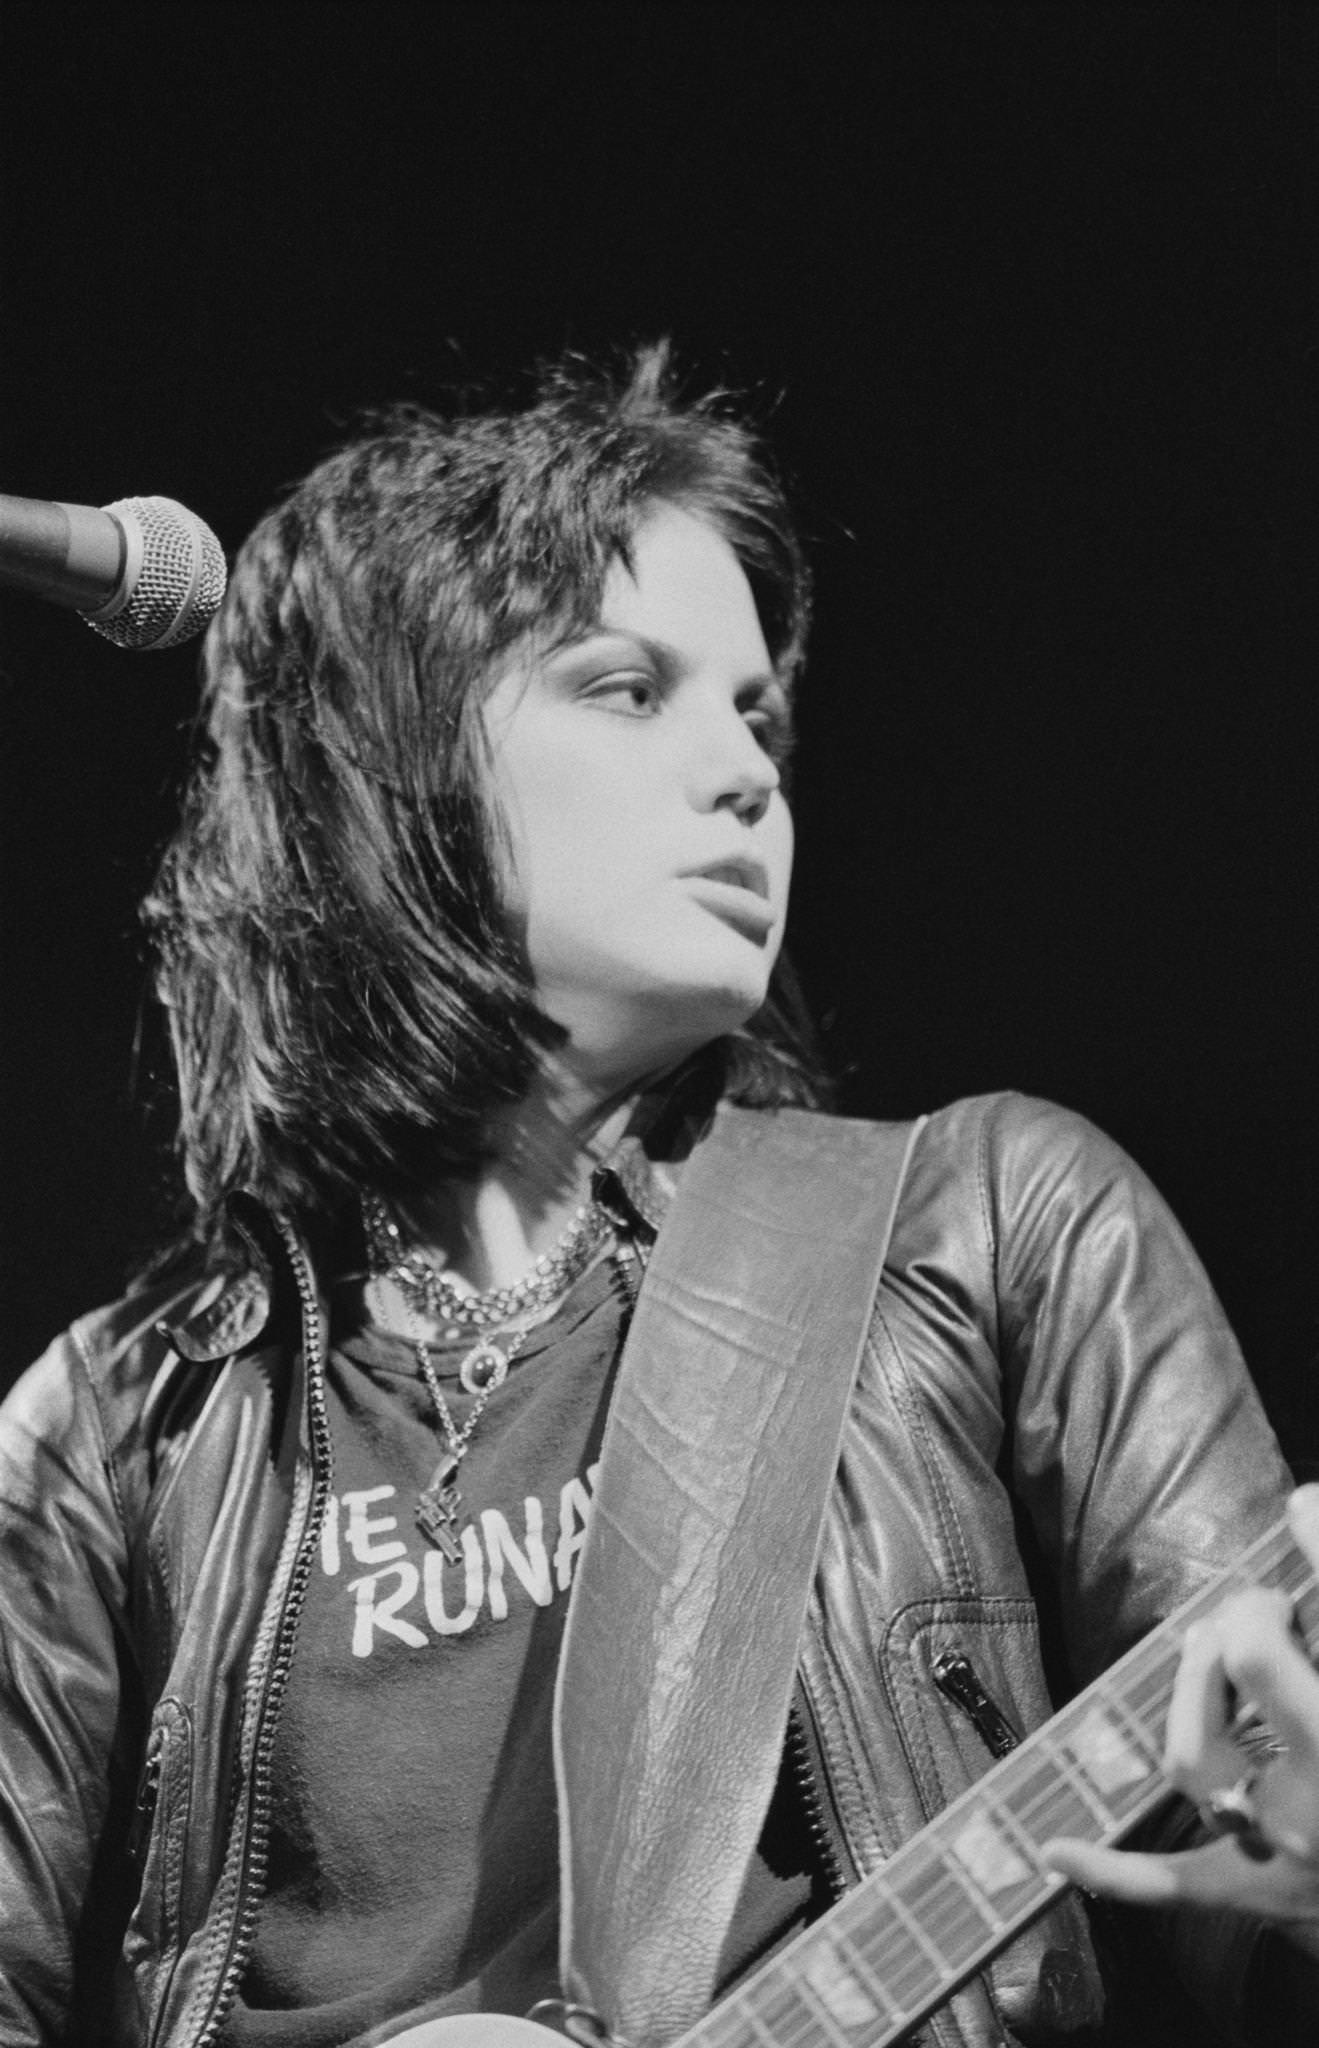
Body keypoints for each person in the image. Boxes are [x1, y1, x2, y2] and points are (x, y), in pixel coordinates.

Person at [1, 345, 1316, 2048]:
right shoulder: (118, 1429)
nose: (750, 771)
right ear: (382, 764)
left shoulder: (991, 1224)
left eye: (756, 709)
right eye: (628, 688)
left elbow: (1249, 1887)